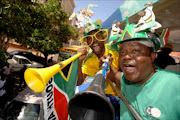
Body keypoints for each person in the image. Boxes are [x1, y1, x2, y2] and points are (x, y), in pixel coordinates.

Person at [105, 16, 180, 119]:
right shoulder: (126, 80)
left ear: (152, 56)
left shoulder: (175, 84)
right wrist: (107, 66)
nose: (126, 56)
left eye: (135, 51)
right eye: (122, 52)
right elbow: (113, 76)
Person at [77, 21, 121, 120]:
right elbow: (80, 82)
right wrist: (79, 63)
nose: (94, 41)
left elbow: (125, 78)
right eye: (90, 38)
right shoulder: (88, 60)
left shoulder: (115, 51)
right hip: (99, 100)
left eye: (98, 36)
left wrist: (109, 68)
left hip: (118, 98)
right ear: (87, 42)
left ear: (104, 38)